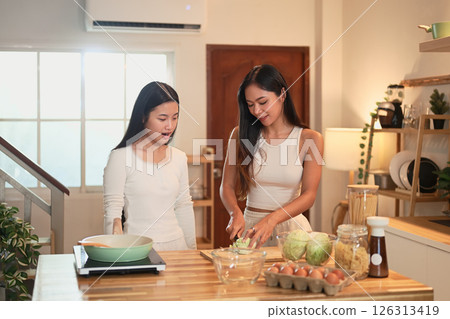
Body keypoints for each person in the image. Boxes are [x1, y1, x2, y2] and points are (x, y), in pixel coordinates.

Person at [220, 64, 323, 248]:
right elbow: (226, 186)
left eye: (263, 102)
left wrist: (272, 219)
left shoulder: (309, 139)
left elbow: (309, 195)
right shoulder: (240, 135)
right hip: (251, 230)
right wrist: (235, 212)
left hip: (292, 231)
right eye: (250, 105)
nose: (256, 111)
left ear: (282, 95)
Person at [103, 81, 197, 251]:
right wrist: (114, 254)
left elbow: (183, 205)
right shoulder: (120, 157)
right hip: (137, 248)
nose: (170, 126)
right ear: (143, 117)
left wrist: (192, 250)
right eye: (162, 118)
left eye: (175, 117)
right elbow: (113, 210)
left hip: (178, 247)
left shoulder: (178, 157)